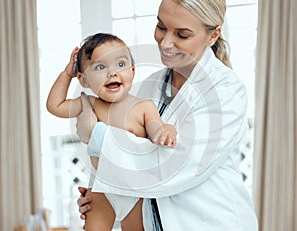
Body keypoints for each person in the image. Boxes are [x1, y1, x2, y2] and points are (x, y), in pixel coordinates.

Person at [76, 0, 259, 230]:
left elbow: (174, 167)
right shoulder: (148, 87)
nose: (165, 42)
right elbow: (128, 155)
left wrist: (96, 134)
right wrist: (103, 197)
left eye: (182, 35)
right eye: (161, 27)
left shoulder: (225, 90)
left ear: (212, 36)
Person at [46, 33, 177, 231]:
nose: (112, 73)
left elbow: (156, 130)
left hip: (133, 192)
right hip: (100, 188)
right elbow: (54, 106)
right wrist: (67, 73)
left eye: (120, 64)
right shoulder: (88, 104)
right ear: (84, 80)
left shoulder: (143, 107)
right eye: (100, 67)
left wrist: (167, 129)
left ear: (133, 71)